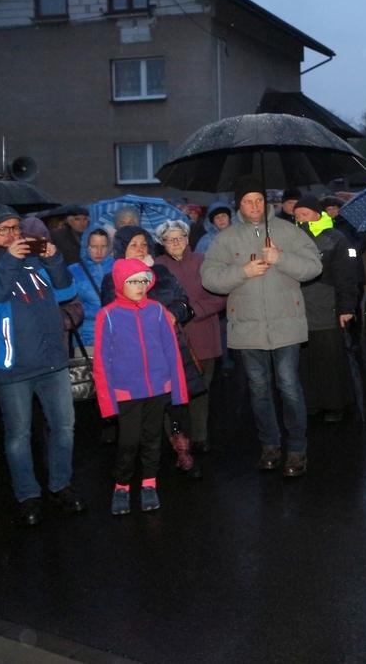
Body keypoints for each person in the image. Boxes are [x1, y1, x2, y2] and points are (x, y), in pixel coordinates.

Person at [0, 204, 85, 525]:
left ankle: (61, 486)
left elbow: (67, 291)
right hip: (12, 367)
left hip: (52, 361)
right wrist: (10, 261)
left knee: (64, 428)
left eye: (15, 227)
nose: (12, 234)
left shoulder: (33, 258)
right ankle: (27, 495)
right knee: (18, 435)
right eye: (3, 229)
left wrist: (53, 259)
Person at [201, 175, 322, 477]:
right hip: (247, 327)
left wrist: (281, 258)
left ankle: (297, 450)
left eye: (258, 200)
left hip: (286, 324)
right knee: (258, 390)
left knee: (289, 387)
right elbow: (209, 278)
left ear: (265, 202)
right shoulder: (226, 238)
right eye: (247, 201)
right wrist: (242, 271)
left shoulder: (288, 231)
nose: (254, 206)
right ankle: (270, 446)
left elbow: (314, 266)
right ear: (239, 205)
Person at [102, 226, 203, 479]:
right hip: (134, 358)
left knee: (177, 406)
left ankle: (183, 453)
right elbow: (112, 316)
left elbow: (184, 303)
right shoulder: (112, 279)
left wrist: (173, 313)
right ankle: (140, 467)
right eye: (133, 244)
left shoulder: (161, 272)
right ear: (122, 248)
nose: (140, 249)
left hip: (170, 350)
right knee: (142, 413)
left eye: (144, 244)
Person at [94, 258, 189, 515]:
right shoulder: (107, 316)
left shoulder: (157, 311)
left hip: (158, 388)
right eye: (133, 281)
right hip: (127, 392)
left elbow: (172, 352)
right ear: (119, 283)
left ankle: (149, 482)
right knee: (128, 442)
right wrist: (107, 402)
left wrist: (178, 390)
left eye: (143, 281)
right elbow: (101, 361)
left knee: (152, 439)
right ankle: (122, 485)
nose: (140, 286)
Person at [155, 220, 226, 452]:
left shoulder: (203, 261)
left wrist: (192, 311)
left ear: (187, 239)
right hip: (170, 337)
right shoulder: (156, 267)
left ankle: (200, 436)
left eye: (180, 237)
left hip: (203, 334)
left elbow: (220, 297)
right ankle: (176, 439)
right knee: (171, 393)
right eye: (170, 239)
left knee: (201, 391)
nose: (176, 242)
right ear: (162, 243)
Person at [291, 197, 358, 423]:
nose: (301, 219)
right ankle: (312, 401)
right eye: (297, 216)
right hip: (300, 308)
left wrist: (346, 306)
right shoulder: (292, 239)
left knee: (329, 358)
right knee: (306, 359)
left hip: (327, 305)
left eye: (305, 214)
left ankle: (335, 403)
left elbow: (346, 275)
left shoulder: (335, 238)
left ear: (317, 214)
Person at [69, 227, 114, 350]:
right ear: (86, 246)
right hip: (87, 335)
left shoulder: (117, 268)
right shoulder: (74, 271)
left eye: (103, 246)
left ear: (109, 247)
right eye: (94, 246)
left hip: (115, 333)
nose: (99, 251)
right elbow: (70, 305)